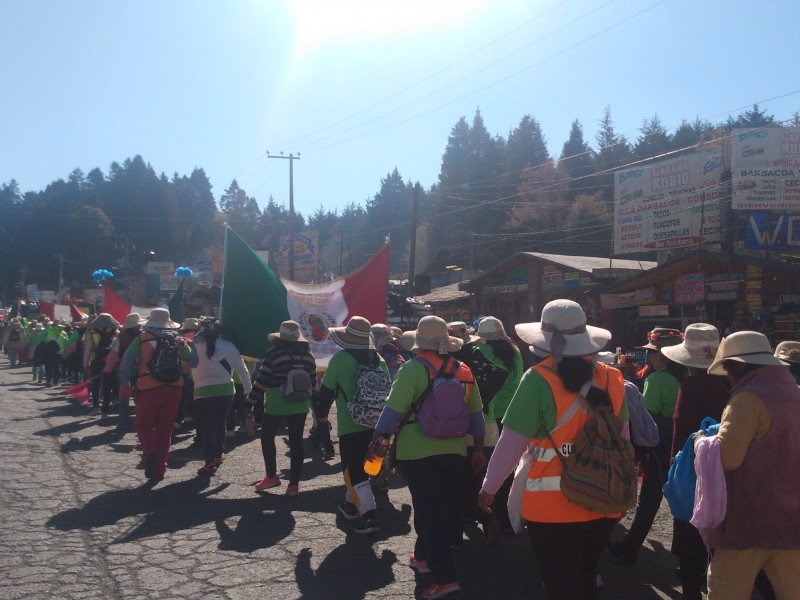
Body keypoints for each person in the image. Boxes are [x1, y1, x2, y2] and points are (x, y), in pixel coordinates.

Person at [478, 299, 628, 600]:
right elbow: (622, 438)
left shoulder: (538, 379)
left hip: (552, 507)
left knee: (560, 583)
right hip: (605, 496)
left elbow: (512, 442)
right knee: (586, 576)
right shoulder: (612, 377)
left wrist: (488, 489)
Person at [373, 315, 485, 599]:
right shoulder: (463, 370)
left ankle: (445, 578)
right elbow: (476, 415)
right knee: (436, 509)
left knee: (428, 510)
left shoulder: (412, 369)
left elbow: (392, 412)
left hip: (416, 452)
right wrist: (479, 450)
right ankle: (422, 557)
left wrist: (379, 442)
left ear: (420, 342)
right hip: (456, 450)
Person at [701, 331, 800, 599]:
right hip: (793, 522)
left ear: (738, 367)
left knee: (725, 590)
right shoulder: (794, 392)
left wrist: (702, 442)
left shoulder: (747, 399)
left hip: (749, 521)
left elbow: (728, 458)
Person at [660, 324, 729, 600]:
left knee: (692, 543)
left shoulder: (691, 387)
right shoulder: (730, 384)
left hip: (697, 476)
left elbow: (681, 442)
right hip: (728, 473)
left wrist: (674, 477)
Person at [608, 326, 684, 566]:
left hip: (659, 449)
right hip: (682, 445)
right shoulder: (687, 376)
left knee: (649, 500)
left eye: (654, 353)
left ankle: (630, 548)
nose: (650, 357)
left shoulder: (657, 379)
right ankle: (685, 555)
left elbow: (645, 420)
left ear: (666, 354)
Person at [316, 316, 389, 534]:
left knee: (353, 470)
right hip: (378, 425)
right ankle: (350, 504)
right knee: (367, 467)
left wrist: (321, 417)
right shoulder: (379, 360)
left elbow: (326, 392)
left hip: (351, 424)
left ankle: (369, 516)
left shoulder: (341, 359)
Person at [118, 308, 198, 482]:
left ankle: (150, 453)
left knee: (144, 425)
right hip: (174, 387)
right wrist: (190, 345)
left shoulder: (142, 338)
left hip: (148, 387)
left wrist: (125, 384)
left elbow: (126, 362)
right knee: (165, 428)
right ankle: (160, 469)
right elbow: (194, 362)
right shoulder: (178, 340)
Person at [247, 320, 316, 496]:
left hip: (277, 402)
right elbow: (313, 384)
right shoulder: (308, 356)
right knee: (296, 442)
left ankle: (271, 476)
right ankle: (293, 485)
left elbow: (262, 380)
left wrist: (250, 401)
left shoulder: (274, 352)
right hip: (301, 403)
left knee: (267, 437)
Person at [191, 318, 251, 476]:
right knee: (220, 424)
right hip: (225, 390)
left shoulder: (194, 345)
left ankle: (209, 461)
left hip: (202, 391)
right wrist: (248, 389)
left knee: (207, 427)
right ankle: (218, 455)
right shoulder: (228, 346)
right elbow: (241, 368)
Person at [83, 313, 120, 417]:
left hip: (96, 361)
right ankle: (105, 410)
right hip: (111, 361)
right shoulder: (116, 332)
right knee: (108, 385)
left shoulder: (92, 332)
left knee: (96, 385)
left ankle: (95, 407)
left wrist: (85, 364)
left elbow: (88, 350)